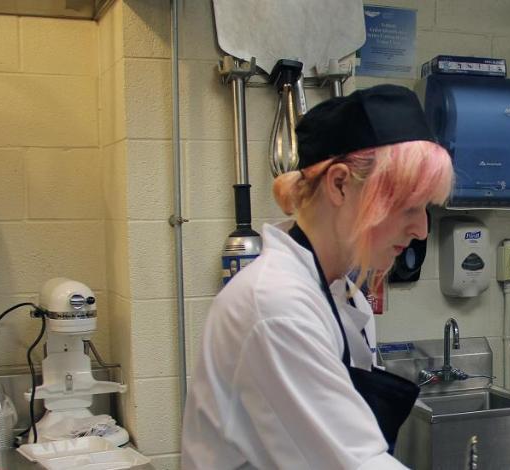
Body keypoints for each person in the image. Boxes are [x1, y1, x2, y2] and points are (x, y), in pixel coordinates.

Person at [181, 84, 453, 469]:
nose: (422, 230)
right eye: (409, 206)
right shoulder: (276, 306)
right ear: (340, 184)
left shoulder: (343, 295)